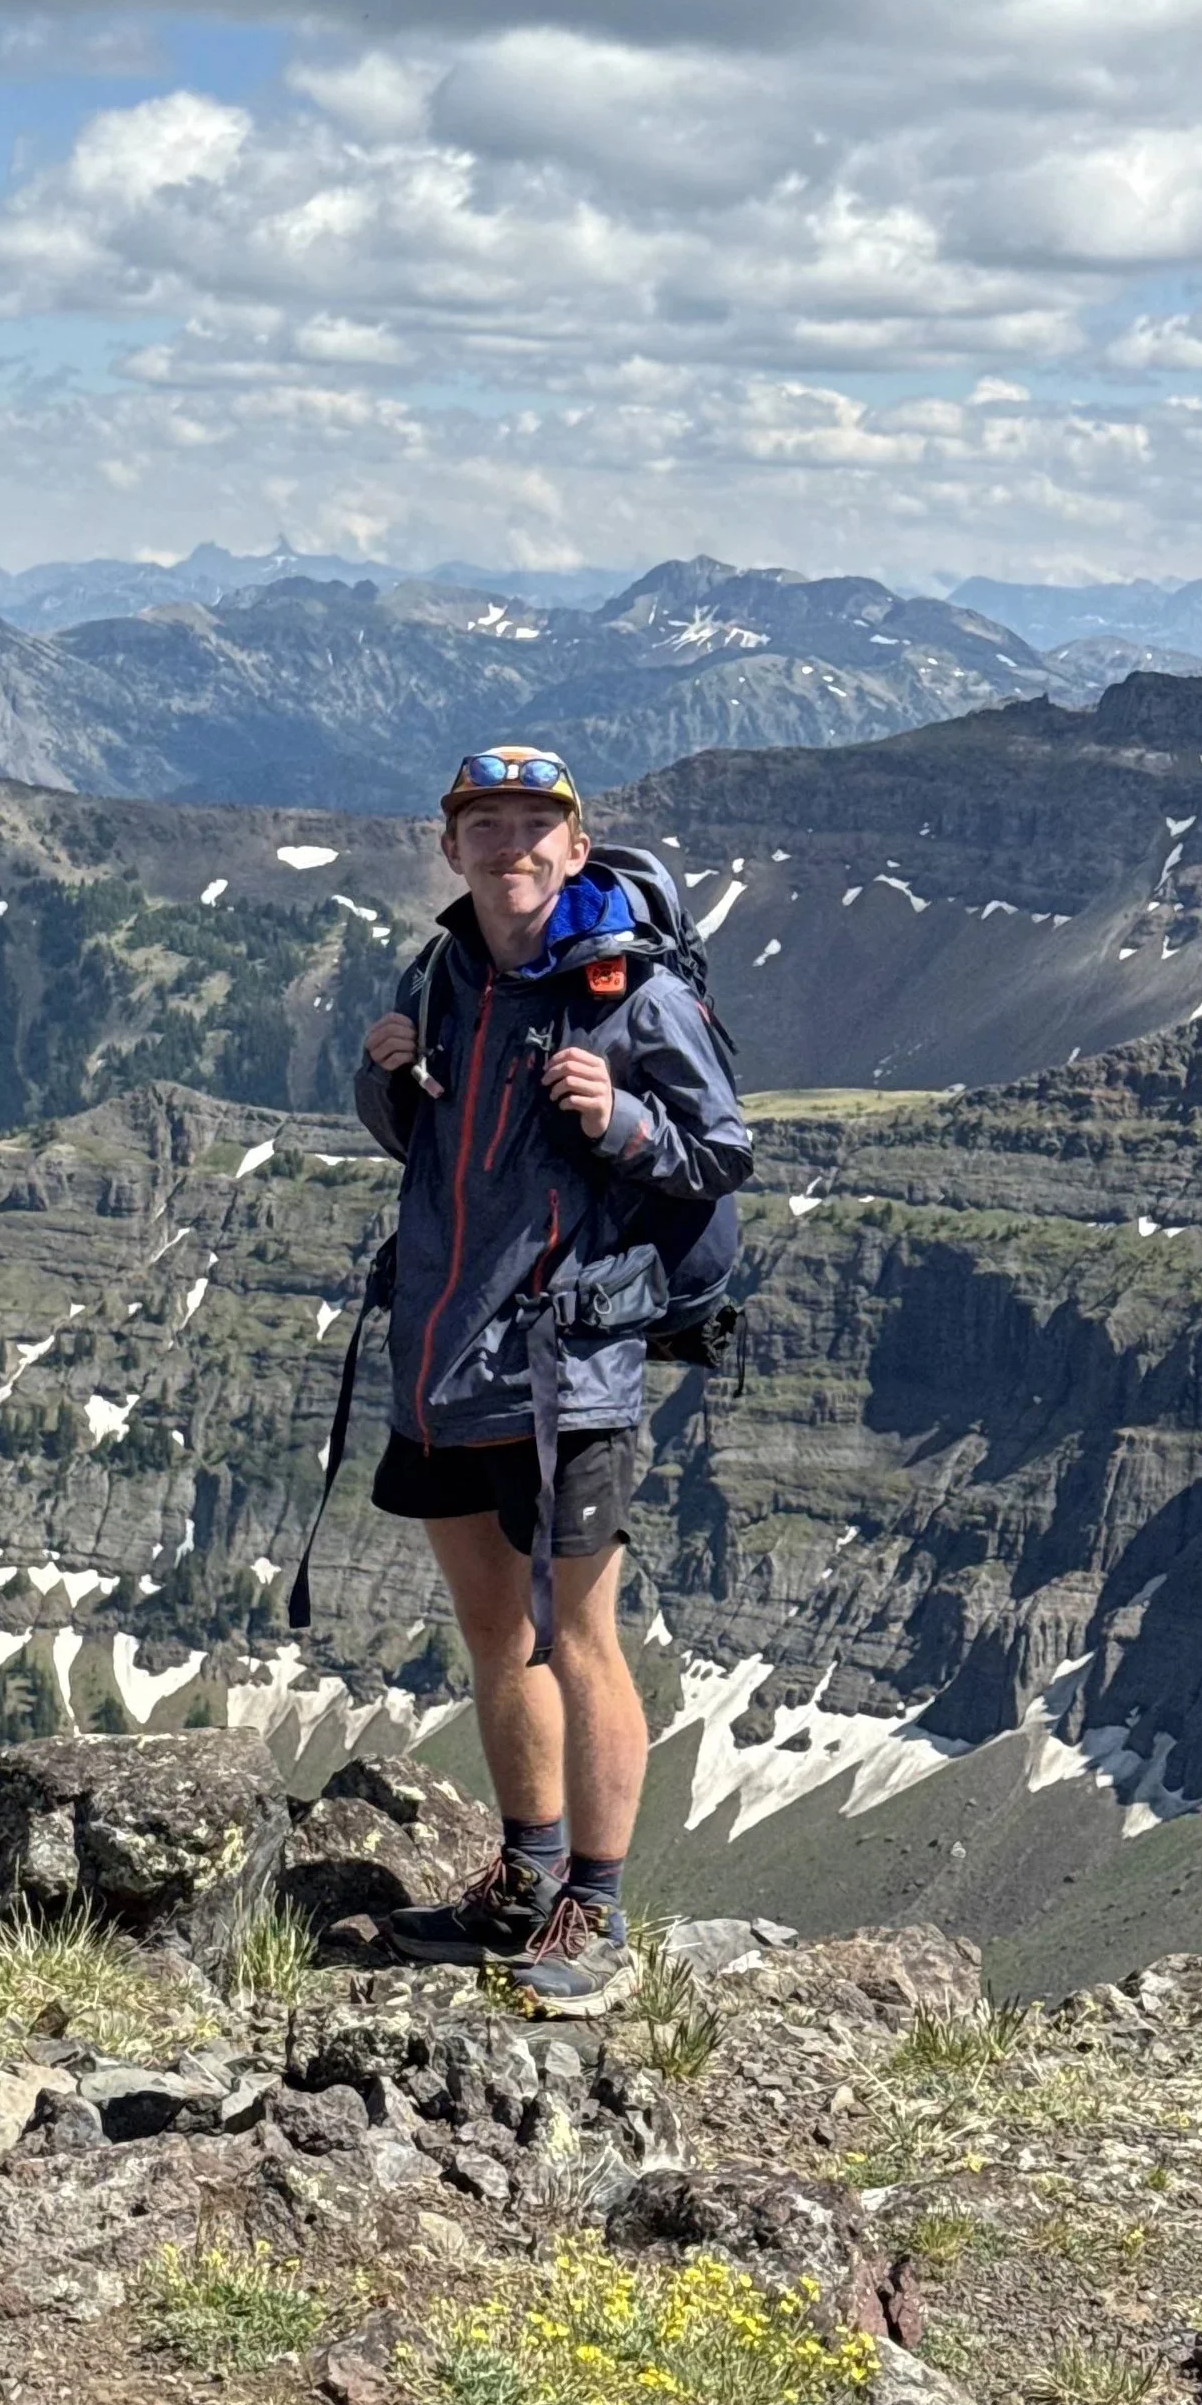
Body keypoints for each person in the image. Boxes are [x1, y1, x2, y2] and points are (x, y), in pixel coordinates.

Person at [351, 744, 751, 2011]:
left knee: (577, 1636)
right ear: (449, 843)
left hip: (568, 1373)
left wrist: (619, 1117)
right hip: (448, 1357)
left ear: (575, 848)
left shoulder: (630, 995)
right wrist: (381, 1078)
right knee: (491, 1633)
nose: (510, 845)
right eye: (486, 823)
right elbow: (431, 1152)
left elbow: (721, 1151)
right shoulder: (446, 974)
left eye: (536, 825)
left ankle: (599, 1906)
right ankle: (522, 1882)